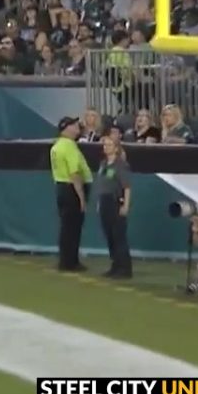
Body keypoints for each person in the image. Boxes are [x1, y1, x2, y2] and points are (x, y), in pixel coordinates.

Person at [50, 116, 92, 271]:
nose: (77, 127)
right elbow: (75, 174)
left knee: (66, 227)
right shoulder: (69, 146)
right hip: (71, 189)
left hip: (61, 187)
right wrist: (81, 197)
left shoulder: (57, 146)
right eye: (74, 125)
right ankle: (70, 262)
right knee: (73, 227)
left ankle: (65, 260)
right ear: (66, 128)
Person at [95, 136, 132, 278]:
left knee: (118, 235)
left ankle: (124, 268)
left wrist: (126, 205)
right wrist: (99, 202)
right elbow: (101, 184)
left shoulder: (120, 165)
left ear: (116, 148)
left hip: (115, 201)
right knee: (109, 235)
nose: (106, 147)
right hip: (104, 201)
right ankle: (115, 265)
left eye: (110, 145)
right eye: (105, 145)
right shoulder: (103, 164)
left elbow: (127, 186)